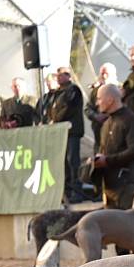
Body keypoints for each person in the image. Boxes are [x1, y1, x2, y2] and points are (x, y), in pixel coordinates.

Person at [92, 84, 134, 212]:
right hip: (109, 189)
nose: (97, 103)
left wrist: (107, 160)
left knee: (130, 230)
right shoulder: (105, 124)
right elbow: (103, 151)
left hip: (127, 187)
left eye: (99, 98)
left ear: (110, 100)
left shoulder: (132, 120)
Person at [49, 66, 84, 203]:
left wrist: (55, 120)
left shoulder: (73, 90)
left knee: (72, 160)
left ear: (68, 76)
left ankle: (77, 190)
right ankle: (67, 191)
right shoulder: (58, 93)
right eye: (58, 75)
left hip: (72, 130)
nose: (59, 77)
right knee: (64, 162)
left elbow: (68, 108)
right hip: (61, 132)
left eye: (62, 75)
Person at [85, 63, 118, 153]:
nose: (104, 76)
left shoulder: (119, 89)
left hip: (115, 128)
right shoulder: (95, 91)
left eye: (106, 73)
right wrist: (96, 116)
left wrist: (109, 116)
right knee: (98, 151)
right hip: (98, 128)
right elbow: (88, 108)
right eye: (102, 73)